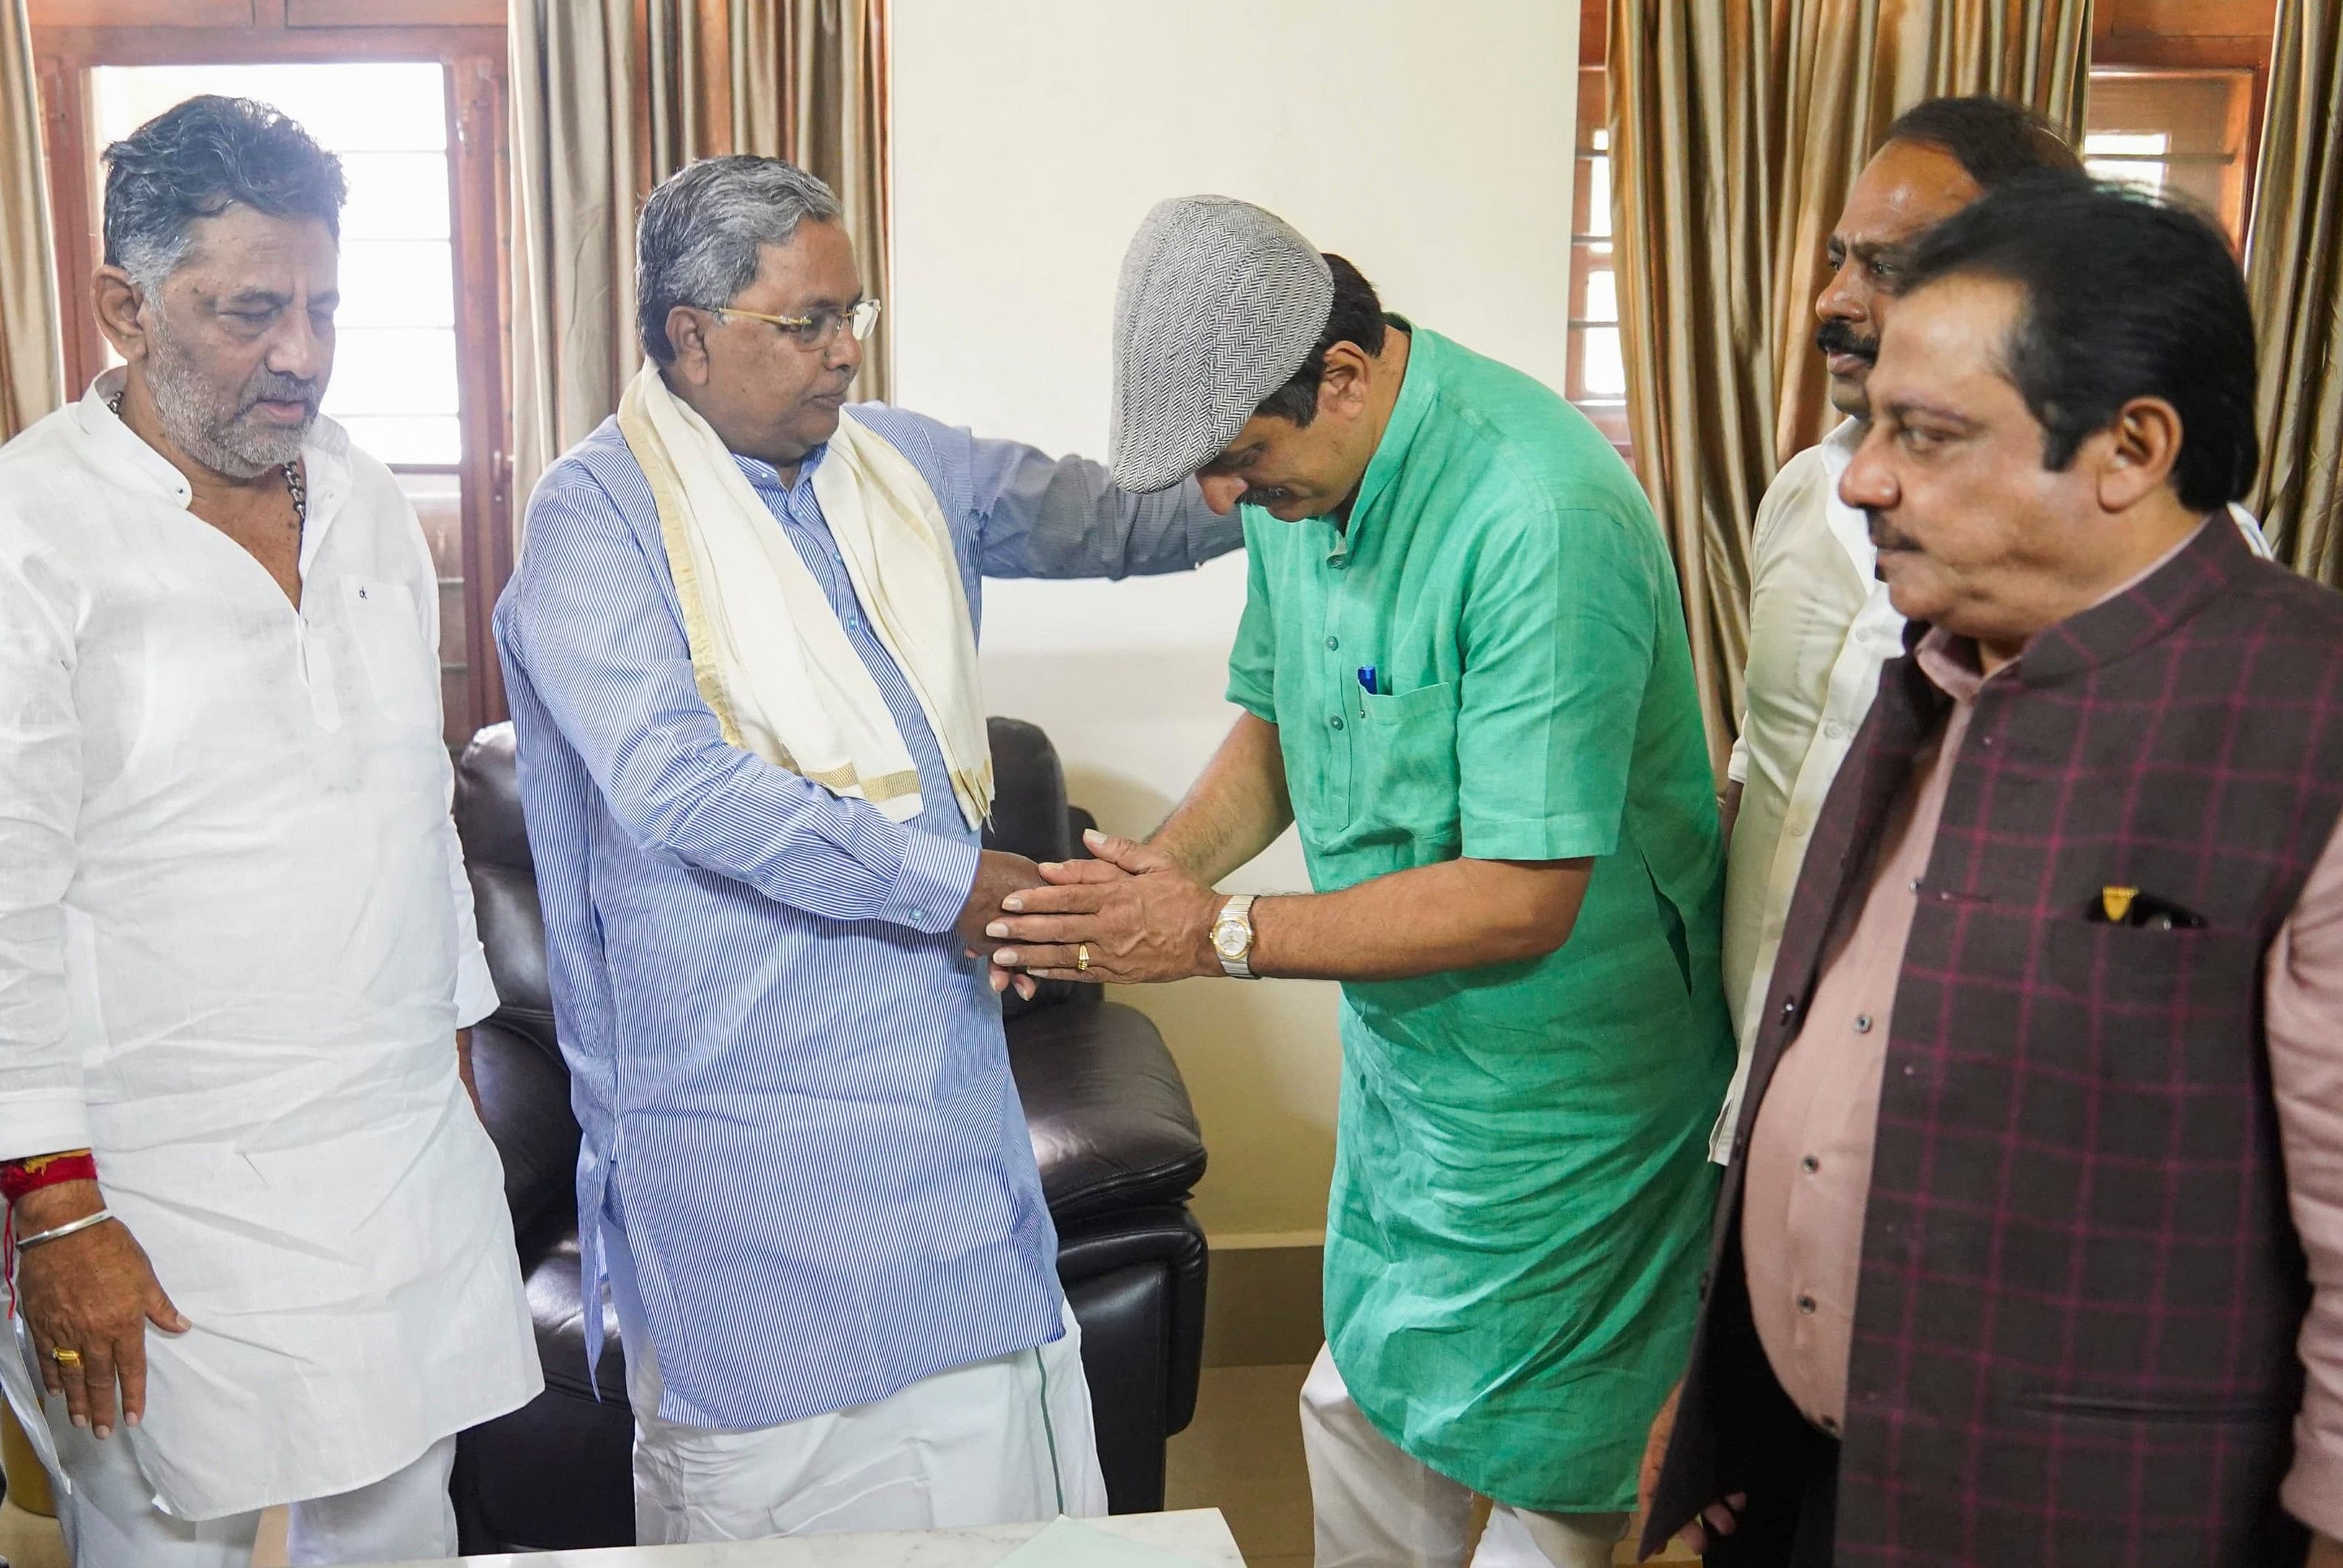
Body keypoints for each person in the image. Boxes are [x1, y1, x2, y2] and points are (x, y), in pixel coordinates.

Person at [492, 154, 1240, 1544]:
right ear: (687, 334)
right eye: (805, 323)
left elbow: (1115, 515)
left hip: (939, 1114)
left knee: (983, 1501)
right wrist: (956, 883)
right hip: (741, 1136)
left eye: (857, 311)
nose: (846, 351)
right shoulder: (596, 518)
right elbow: (675, 782)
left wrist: (1271, 456)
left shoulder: (901, 463)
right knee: (784, 1506)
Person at [986, 196, 1730, 1568]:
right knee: (1361, 1417)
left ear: (1342, 373)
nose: (1223, 499)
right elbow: (1283, 721)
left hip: (1568, 1095)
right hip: (1411, 1070)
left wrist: (1208, 932)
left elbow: (1522, 893)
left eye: (1241, 461)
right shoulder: (1301, 488)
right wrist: (1162, 872)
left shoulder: (1536, 513)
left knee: (1545, 1478)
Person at [1641, 177, 2343, 1568]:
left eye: (1928, 434)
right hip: (1817, 1481)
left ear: (2132, 447)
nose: (1861, 477)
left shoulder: (2306, 724)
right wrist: (1736, 1395)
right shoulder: (1936, 676)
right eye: (1872, 425)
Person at [0, 96, 537, 1568]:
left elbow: (405, 795)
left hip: (386, 1158)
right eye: (248, 311)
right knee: (170, 1537)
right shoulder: (6, 545)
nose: (298, 352)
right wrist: (55, 1215)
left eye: (320, 306)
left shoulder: (361, 491)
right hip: (153, 1192)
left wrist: (449, 1060)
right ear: (123, 305)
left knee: (398, 1527)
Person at [1715, 97, 2267, 1157]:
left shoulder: (2181, 561)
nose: (1834, 300)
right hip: (1754, 1086)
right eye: (1839, 257)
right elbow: (1766, 746)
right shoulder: (1799, 491)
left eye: (1889, 267)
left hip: (1978, 1134)